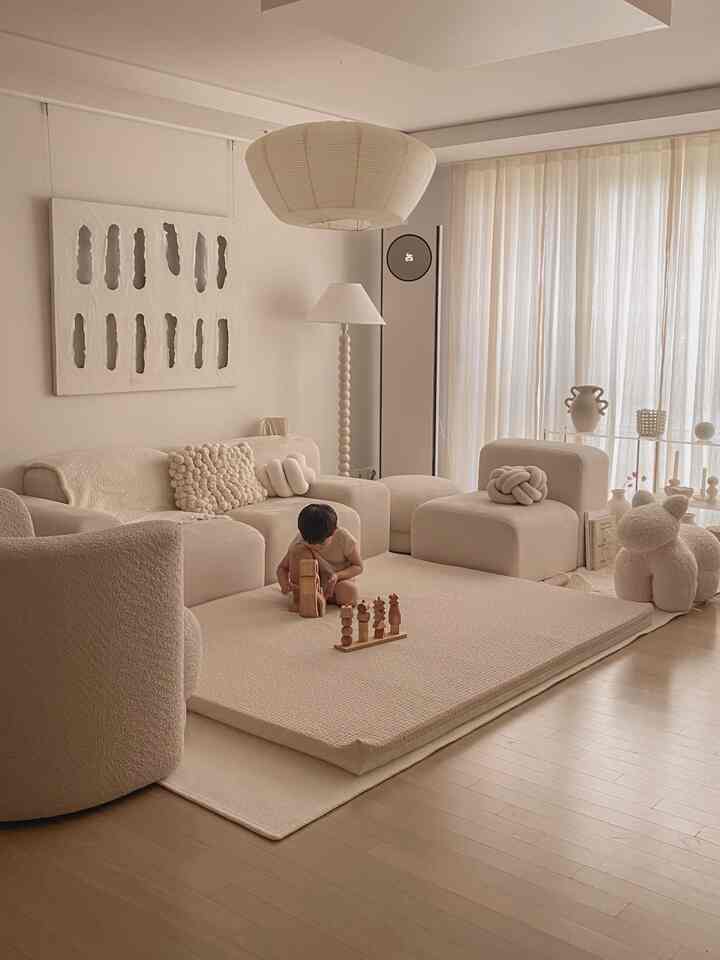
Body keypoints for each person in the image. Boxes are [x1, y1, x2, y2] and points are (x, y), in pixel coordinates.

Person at [277, 503, 363, 607]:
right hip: (309, 584)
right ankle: (302, 599)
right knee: (297, 551)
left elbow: (358, 567)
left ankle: (322, 598)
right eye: (309, 542)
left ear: (334, 531)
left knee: (350, 593)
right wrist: (285, 585)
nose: (315, 547)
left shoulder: (343, 538)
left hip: (337, 582)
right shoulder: (301, 540)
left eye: (321, 543)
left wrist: (337, 576)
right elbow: (282, 568)